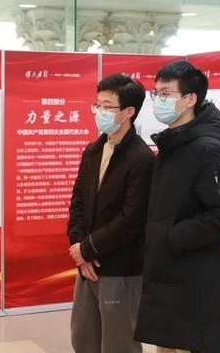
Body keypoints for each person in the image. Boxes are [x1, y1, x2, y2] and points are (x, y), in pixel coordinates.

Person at [134, 61, 220, 353]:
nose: (158, 100)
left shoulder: (205, 148)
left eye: (165, 93)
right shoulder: (174, 144)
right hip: (170, 273)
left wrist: (174, 236)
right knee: (168, 344)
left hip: (193, 276)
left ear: (190, 99)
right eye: (156, 93)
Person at [67, 73, 153, 353]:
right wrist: (79, 248)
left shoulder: (141, 158)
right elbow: (78, 201)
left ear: (128, 112)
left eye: (107, 106)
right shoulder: (93, 150)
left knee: (119, 343)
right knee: (84, 338)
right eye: (98, 105)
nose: (100, 112)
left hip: (120, 268)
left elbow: (132, 219)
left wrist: (88, 249)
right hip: (87, 264)